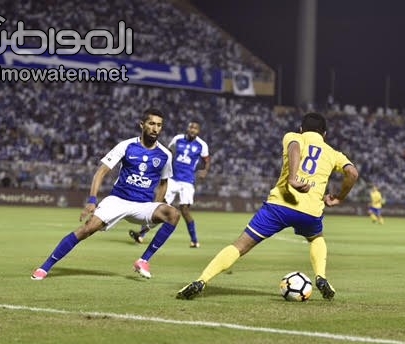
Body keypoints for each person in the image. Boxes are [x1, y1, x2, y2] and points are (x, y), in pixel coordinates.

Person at [176, 112, 359, 300]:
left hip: (280, 205)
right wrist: (339, 197)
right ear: (325, 134)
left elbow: (295, 147)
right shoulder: (333, 153)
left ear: (302, 129)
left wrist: (293, 177)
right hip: (310, 211)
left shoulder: (293, 136)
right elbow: (352, 173)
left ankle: (201, 281)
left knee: (240, 245)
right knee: (316, 238)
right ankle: (321, 276)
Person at [31, 108, 179, 281]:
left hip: (143, 206)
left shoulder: (165, 155)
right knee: (87, 229)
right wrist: (92, 200)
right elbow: (101, 172)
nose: (155, 129)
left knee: (173, 214)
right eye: (151, 123)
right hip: (118, 200)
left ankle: (143, 260)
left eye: (159, 125)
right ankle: (45, 267)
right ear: (142, 125)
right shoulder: (126, 146)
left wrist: (156, 207)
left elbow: (164, 182)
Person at [129, 121, 210, 248]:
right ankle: (141, 235)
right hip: (173, 179)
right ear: (187, 128)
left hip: (188, 181)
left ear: (198, 131)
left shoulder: (202, 145)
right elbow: (168, 151)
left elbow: (206, 160)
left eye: (195, 128)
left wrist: (205, 170)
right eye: (191, 127)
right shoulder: (177, 139)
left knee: (185, 210)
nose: (193, 130)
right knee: (160, 205)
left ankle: (194, 240)